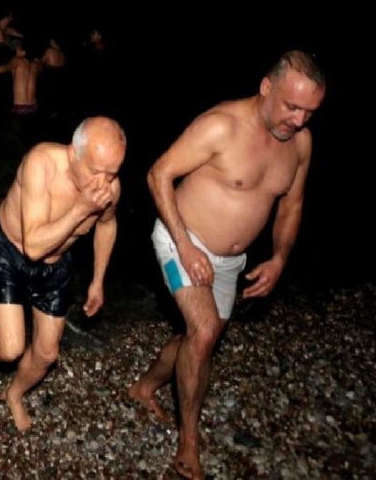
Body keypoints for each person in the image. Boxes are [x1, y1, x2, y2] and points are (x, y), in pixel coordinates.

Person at [128, 50, 325, 479]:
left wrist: (279, 259)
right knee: (204, 331)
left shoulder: (301, 145)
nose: (298, 120)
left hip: (231, 261)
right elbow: (158, 174)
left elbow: (291, 206)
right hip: (180, 238)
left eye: (309, 112)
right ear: (266, 87)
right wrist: (185, 245)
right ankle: (189, 445)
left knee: (200, 338)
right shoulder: (221, 125)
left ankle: (144, 387)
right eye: (292, 106)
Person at [0, 117, 126, 431]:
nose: (103, 185)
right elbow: (34, 247)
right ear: (72, 154)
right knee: (11, 348)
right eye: (95, 171)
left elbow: (107, 225)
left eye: (112, 173)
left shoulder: (109, 189)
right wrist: (81, 208)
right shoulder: (40, 163)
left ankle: (14, 393)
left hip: (57, 264)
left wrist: (98, 280)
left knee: (47, 353)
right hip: (12, 252)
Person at [0, 43, 42, 115]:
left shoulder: (17, 60)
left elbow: (5, 68)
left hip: (20, 106)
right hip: (33, 105)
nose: (15, 51)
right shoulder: (35, 65)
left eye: (16, 49)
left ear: (22, 51)